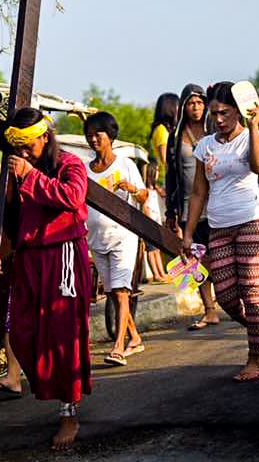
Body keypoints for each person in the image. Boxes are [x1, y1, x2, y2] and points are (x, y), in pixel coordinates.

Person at [0, 108, 92, 451]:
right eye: (20, 148)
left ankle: (69, 413)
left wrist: (30, 176)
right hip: (29, 261)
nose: (24, 153)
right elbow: (7, 214)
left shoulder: (70, 164)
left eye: (29, 145)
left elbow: (73, 198)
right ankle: (51, 391)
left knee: (63, 341)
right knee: (25, 336)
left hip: (63, 259)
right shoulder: (17, 171)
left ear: (46, 136)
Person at [182, 82, 259, 382]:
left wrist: (254, 125)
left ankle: (254, 358)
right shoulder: (206, 145)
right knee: (225, 296)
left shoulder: (252, 136)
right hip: (218, 227)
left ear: (237, 111)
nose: (218, 119)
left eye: (224, 113)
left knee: (250, 290)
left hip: (252, 221)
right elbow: (198, 191)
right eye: (214, 113)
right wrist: (188, 232)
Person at [83, 111, 148, 367]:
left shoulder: (126, 165)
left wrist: (131, 189)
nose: (93, 140)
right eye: (89, 136)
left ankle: (119, 347)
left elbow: (143, 197)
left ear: (109, 137)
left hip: (123, 236)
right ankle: (134, 337)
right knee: (111, 292)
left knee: (121, 291)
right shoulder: (86, 170)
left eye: (97, 135)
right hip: (96, 238)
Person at [166, 83, 220, 330]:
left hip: (217, 202)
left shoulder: (214, 132)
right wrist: (171, 210)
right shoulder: (176, 136)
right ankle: (209, 310)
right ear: (184, 107)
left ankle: (231, 299)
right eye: (190, 103)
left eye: (199, 103)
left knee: (219, 256)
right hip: (188, 205)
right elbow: (170, 175)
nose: (195, 107)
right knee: (195, 258)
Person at [142, 162, 169, 283]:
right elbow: (145, 207)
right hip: (149, 224)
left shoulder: (154, 189)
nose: (158, 173)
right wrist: (149, 223)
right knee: (151, 250)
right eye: (157, 171)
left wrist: (157, 186)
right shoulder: (145, 191)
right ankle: (156, 274)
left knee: (157, 250)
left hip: (157, 223)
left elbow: (164, 194)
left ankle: (162, 272)